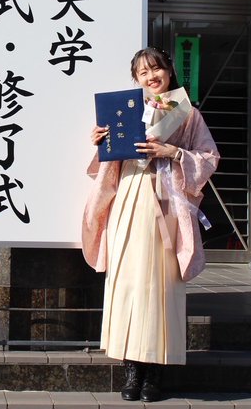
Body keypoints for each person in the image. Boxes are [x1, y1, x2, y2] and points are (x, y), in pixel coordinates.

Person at [82, 47, 219, 402]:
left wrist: (173, 153)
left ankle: (154, 372)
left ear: (169, 72)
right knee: (129, 281)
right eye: (143, 73)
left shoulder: (186, 113)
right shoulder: (125, 112)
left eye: (156, 68)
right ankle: (131, 371)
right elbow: (108, 163)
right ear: (136, 80)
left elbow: (209, 157)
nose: (151, 76)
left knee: (160, 283)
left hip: (166, 203)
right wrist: (102, 142)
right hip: (130, 198)